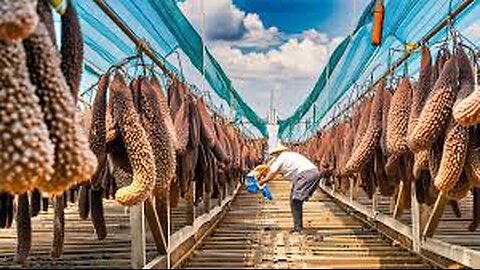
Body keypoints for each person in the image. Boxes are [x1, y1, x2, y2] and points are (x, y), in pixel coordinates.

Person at [257, 143, 321, 233]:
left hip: (306, 175)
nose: (273, 156)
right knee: (294, 200)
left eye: (274, 154)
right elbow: (276, 172)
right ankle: (298, 227)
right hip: (311, 174)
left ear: (277, 153)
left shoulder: (281, 157)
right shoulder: (289, 156)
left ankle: (298, 229)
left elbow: (272, 173)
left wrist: (261, 182)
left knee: (295, 200)